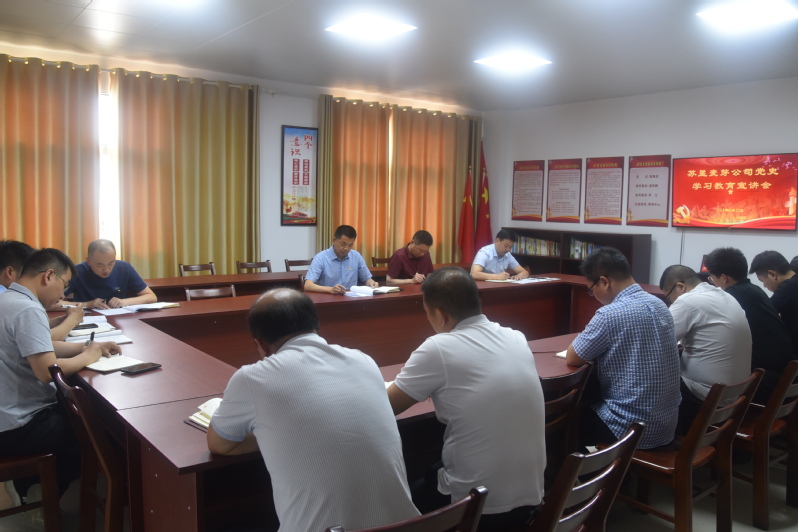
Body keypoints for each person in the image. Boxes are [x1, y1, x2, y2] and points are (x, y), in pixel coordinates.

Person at [207, 288, 418, 531]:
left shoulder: (252, 378)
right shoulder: (364, 360)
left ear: (261, 344)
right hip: (410, 526)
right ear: (315, 326)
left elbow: (220, 444)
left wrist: (274, 434)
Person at [387, 267, 545, 530]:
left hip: (477, 508)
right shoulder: (516, 337)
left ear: (440, 314)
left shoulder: (438, 347)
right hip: (531, 499)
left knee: (398, 502)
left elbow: (386, 406)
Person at [0, 248, 120, 507]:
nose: (63, 295)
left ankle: (31, 485)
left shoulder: (8, 299)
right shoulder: (27, 309)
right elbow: (46, 372)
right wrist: (88, 357)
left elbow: (42, 346)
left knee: (86, 418)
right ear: (48, 276)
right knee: (100, 438)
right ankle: (34, 489)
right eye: (64, 285)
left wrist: (88, 347)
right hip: (18, 425)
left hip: (7, 417)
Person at [565, 247, 680, 449]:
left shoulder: (610, 314)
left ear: (604, 282)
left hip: (629, 428)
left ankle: (589, 468)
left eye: (591, 290)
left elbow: (573, 357)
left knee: (566, 418)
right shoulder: (660, 305)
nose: (593, 295)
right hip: (665, 425)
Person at [659, 265, 752, 433]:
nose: (671, 302)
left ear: (680, 287)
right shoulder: (726, 296)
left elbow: (656, 344)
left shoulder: (687, 301)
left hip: (706, 398)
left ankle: (651, 441)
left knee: (650, 379)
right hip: (734, 396)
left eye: (669, 297)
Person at [704, 247, 796, 403]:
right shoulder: (755, 290)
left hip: (767, 382)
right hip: (785, 377)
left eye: (712, 278)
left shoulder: (731, 297)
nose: (713, 283)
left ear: (724, 278)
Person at [0, 240, 83, 341]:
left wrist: (59, 321)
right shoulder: (24, 305)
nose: (28, 276)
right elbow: (41, 340)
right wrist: (72, 320)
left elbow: (28, 330)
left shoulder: (9, 297)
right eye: (24, 272)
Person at [66, 239, 156, 309]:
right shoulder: (77, 272)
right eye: (100, 265)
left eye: (111, 263)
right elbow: (57, 303)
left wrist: (124, 302)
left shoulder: (124, 268)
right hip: (85, 318)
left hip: (117, 317)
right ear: (89, 261)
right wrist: (87, 304)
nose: (106, 270)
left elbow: (151, 297)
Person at [304, 225, 379, 294]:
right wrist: (330, 290)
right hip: (328, 299)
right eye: (343, 244)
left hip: (352, 299)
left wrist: (371, 283)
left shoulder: (356, 256)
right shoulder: (321, 258)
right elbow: (308, 285)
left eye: (350, 245)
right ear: (334, 240)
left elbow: (366, 279)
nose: (346, 248)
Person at [749, 251, 798, 352]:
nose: (764, 285)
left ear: (772, 274)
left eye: (762, 280)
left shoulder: (789, 287)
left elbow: (764, 313)